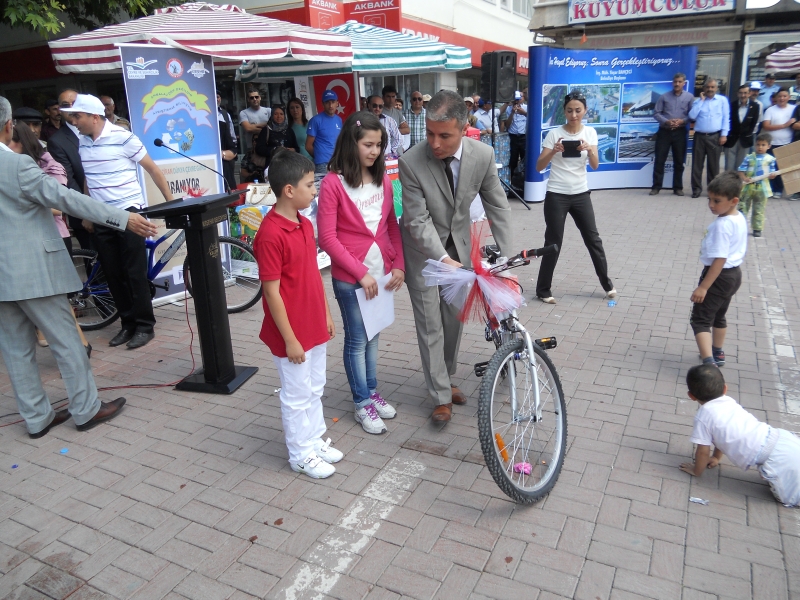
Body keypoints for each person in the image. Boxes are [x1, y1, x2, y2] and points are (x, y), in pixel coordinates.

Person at [0, 95, 157, 438]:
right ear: (9, 125)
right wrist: (122, 219)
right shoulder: (16, 165)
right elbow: (65, 198)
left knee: (15, 350)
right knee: (67, 342)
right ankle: (86, 409)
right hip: (34, 270)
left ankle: (36, 418)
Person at [399, 90, 513, 423]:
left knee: (453, 320)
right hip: (423, 252)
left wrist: (506, 259)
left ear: (464, 129)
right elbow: (416, 220)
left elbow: (497, 206)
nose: (434, 143)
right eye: (430, 133)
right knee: (430, 323)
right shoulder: (411, 161)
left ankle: (447, 379)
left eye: (444, 135)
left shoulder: (483, 155)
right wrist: (442, 259)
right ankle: (439, 396)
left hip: (460, 247)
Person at [60, 94, 174, 350]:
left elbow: (153, 169)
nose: (74, 121)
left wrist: (172, 204)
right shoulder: (83, 142)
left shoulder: (124, 138)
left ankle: (145, 326)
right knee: (113, 273)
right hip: (102, 217)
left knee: (134, 272)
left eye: (77, 116)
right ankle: (128, 324)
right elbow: (90, 177)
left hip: (130, 214)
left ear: (94, 116)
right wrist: (89, 212)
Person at [253, 150, 341, 478]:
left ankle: (314, 438)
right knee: (296, 394)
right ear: (289, 190)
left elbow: (314, 275)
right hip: (290, 333)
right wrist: (290, 340)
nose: (314, 190)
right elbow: (271, 292)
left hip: (313, 323)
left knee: (315, 386)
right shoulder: (270, 234)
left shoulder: (305, 224)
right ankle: (300, 454)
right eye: (308, 184)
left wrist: (327, 314)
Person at [317, 112, 405, 435]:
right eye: (368, 144)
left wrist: (400, 265)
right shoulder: (332, 183)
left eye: (379, 145)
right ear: (351, 143)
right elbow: (327, 237)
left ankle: (371, 389)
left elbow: (391, 225)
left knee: (374, 334)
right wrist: (360, 272)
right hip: (351, 277)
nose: (375, 151)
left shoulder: (383, 178)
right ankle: (361, 402)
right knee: (357, 339)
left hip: (381, 272)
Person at [10, 122, 94, 355]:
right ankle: (76, 347)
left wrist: (20, 207)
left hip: (54, 239)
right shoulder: (10, 167)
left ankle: (78, 347)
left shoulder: (48, 164)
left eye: (8, 143)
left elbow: (59, 206)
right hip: (25, 241)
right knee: (43, 298)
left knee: (57, 300)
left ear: (21, 142)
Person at [535, 91, 617, 305]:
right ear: (564, 112)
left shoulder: (590, 132)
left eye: (578, 110)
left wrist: (590, 150)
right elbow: (539, 166)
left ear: (585, 111)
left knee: (593, 239)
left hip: (581, 194)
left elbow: (595, 165)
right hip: (556, 194)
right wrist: (553, 152)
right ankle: (543, 290)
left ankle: (607, 285)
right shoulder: (554, 134)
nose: (574, 115)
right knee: (553, 241)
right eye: (569, 111)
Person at [680, 365, 800, 508]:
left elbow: (702, 451)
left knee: (789, 497)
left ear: (691, 396)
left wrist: (696, 470)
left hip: (774, 459)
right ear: (725, 388)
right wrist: (716, 457)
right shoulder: (728, 401)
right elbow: (720, 436)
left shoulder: (703, 417)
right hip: (781, 439)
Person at [690, 172, 746, 367]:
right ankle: (717, 352)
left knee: (700, 320)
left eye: (717, 201)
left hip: (719, 276)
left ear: (734, 200)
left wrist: (703, 287)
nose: (711, 205)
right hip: (734, 275)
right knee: (719, 315)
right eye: (709, 199)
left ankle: (709, 363)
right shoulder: (738, 217)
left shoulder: (722, 225)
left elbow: (719, 259)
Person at [46, 89, 92, 253]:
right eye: (66, 105)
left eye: (75, 103)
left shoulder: (97, 131)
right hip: (85, 215)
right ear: (59, 109)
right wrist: (87, 213)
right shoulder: (57, 141)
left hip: (114, 207)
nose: (72, 108)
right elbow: (69, 180)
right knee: (96, 268)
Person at [651, 72, 693, 196]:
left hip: (680, 132)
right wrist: (667, 122)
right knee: (660, 160)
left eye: (680, 82)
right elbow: (656, 113)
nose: (677, 84)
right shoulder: (664, 97)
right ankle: (656, 187)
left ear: (684, 83)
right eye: (675, 82)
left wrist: (682, 121)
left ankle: (678, 188)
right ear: (672, 83)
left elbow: (692, 114)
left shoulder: (689, 97)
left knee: (679, 161)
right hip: (665, 132)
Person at [689, 78, 730, 198]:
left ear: (716, 88)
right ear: (704, 89)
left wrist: (724, 135)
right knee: (697, 165)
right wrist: (701, 101)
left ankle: (712, 191)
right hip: (700, 137)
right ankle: (696, 189)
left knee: (713, 166)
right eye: (708, 87)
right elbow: (692, 116)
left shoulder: (722, 100)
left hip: (715, 136)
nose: (710, 89)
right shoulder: (698, 101)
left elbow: (726, 118)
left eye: (712, 87)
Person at [737, 133, 777, 238]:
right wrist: (744, 178)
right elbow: (741, 170)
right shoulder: (749, 158)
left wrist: (772, 176)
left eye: (763, 145)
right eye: (758, 145)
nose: (760, 147)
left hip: (762, 188)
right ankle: (740, 227)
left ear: (769, 146)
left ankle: (757, 228)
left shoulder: (771, 159)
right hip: (748, 187)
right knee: (743, 207)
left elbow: (772, 174)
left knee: (759, 208)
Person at [761, 87, 796, 199]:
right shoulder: (770, 110)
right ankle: (771, 189)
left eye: (784, 96)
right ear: (776, 97)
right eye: (780, 96)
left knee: (785, 168)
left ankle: (780, 190)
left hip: (787, 142)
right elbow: (766, 126)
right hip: (771, 143)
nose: (782, 98)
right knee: (771, 168)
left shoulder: (794, 109)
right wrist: (783, 126)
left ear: (789, 97)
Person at [306, 90, 343, 186]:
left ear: (337, 103)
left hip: (337, 162)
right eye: (327, 102)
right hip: (322, 164)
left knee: (338, 190)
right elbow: (308, 145)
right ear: (322, 104)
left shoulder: (339, 120)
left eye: (333, 102)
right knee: (323, 190)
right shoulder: (315, 120)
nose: (330, 105)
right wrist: (320, 155)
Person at [724, 84, 762, 173]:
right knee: (729, 166)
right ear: (737, 94)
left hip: (745, 139)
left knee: (741, 167)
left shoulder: (755, 106)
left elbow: (754, 123)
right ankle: (728, 186)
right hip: (732, 139)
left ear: (749, 93)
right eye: (741, 93)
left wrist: (747, 133)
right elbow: (727, 121)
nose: (743, 95)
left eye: (745, 93)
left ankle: (739, 186)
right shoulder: (732, 105)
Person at [502, 90, 528, 182]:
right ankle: (513, 182)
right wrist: (512, 113)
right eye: (515, 100)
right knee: (513, 160)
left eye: (519, 99)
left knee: (525, 159)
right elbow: (507, 125)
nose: (517, 102)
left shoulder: (526, 107)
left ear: (522, 99)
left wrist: (524, 113)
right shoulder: (508, 109)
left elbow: (533, 120)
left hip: (524, 137)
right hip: (513, 137)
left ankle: (524, 181)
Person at [239, 88, 271, 154]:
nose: (255, 99)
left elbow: (273, 127)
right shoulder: (244, 113)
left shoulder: (268, 111)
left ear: (260, 98)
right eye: (252, 98)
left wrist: (253, 125)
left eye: (256, 97)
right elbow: (248, 128)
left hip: (268, 145)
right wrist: (266, 125)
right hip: (252, 148)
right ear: (248, 99)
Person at [217, 92, 238, 192]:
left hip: (226, 159)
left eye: (218, 97)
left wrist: (226, 153)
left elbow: (232, 137)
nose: (216, 99)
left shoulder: (225, 116)